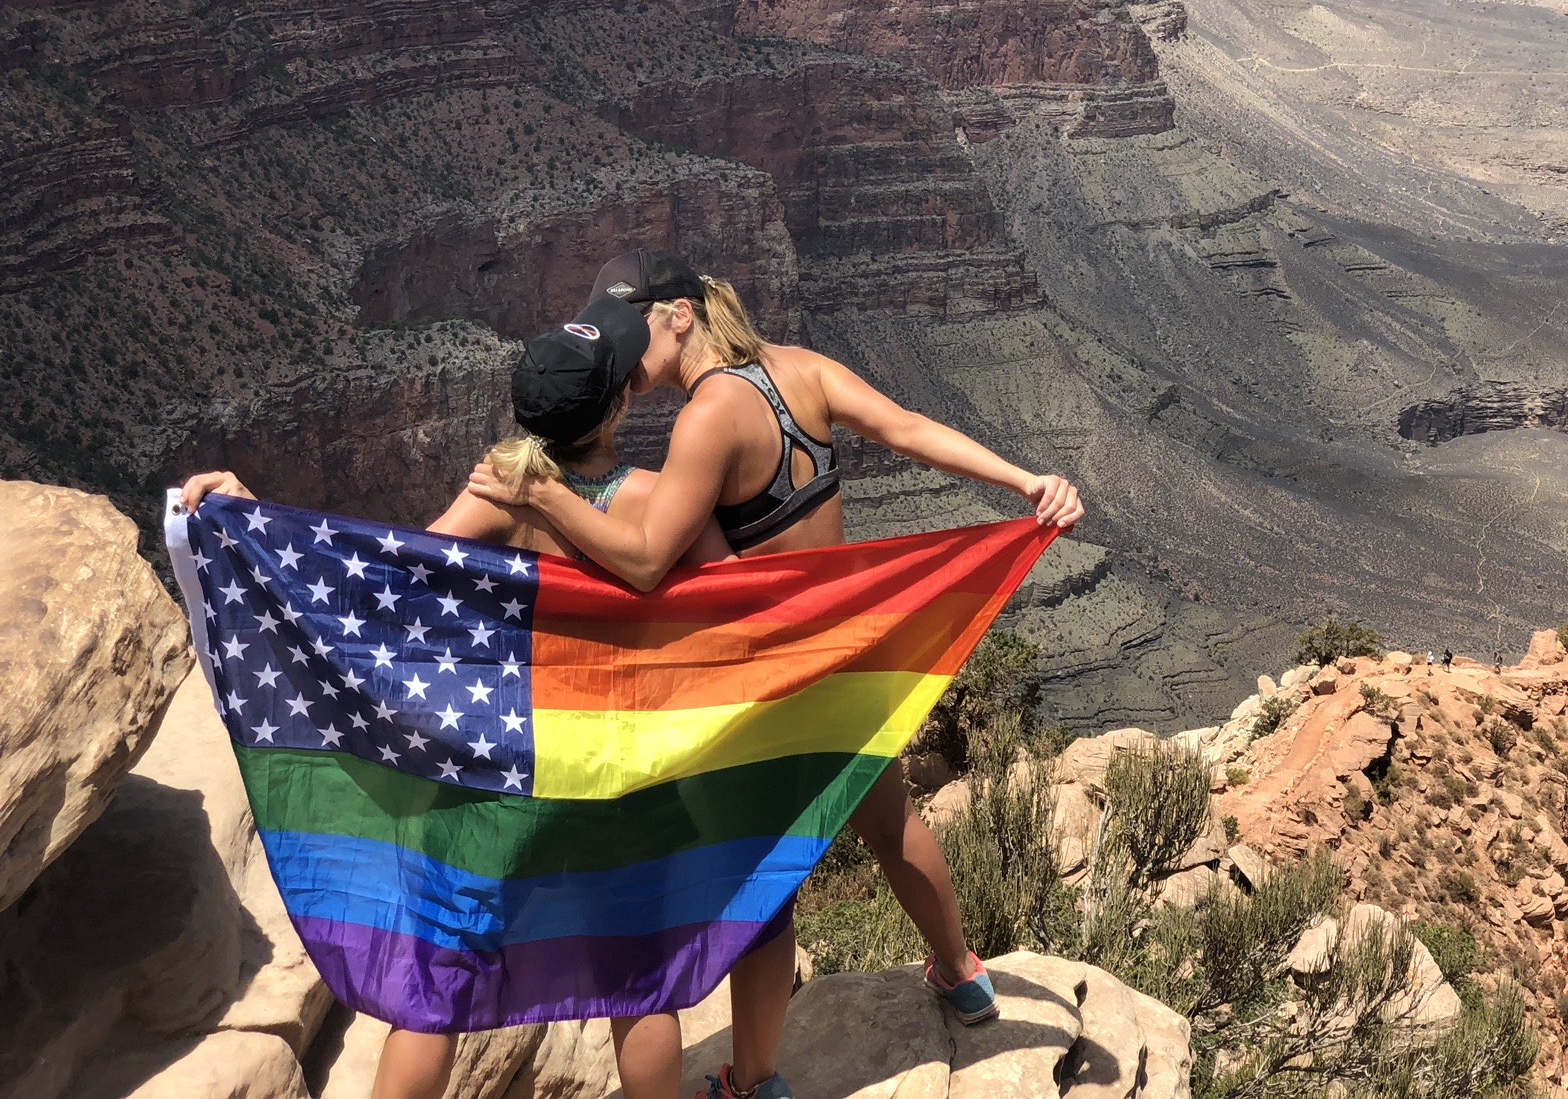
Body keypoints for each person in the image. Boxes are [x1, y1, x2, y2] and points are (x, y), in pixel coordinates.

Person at [467, 249, 1086, 1045]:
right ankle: (961, 972)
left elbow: (650, 559)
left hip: (775, 671)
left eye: (632, 333)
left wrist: (547, 493)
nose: (622, 357)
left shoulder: (705, 421)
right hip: (841, 644)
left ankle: (755, 1079)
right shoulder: (799, 370)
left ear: (680, 316)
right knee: (891, 822)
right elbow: (908, 430)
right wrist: (1023, 479)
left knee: (760, 884)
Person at [181, 296, 764, 1099]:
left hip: (499, 767)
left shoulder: (498, 494)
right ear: (621, 405)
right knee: (641, 982)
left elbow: (379, 580)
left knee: (435, 991)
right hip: (616, 765)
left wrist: (249, 515)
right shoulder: (654, 502)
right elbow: (745, 603)